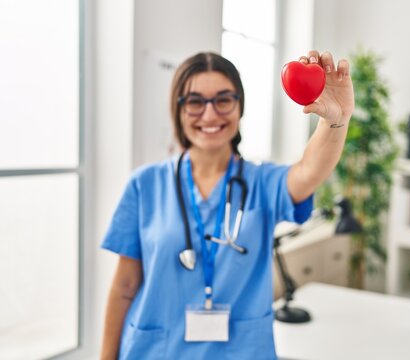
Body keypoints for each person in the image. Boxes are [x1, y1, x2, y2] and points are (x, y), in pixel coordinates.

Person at [100, 50, 354, 360]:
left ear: (239, 107)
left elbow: (308, 171)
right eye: (195, 102)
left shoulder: (263, 183)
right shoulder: (144, 185)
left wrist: (335, 121)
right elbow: (125, 286)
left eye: (223, 100)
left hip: (240, 351)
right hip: (156, 351)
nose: (209, 115)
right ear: (178, 110)